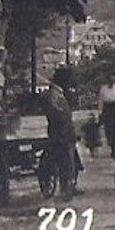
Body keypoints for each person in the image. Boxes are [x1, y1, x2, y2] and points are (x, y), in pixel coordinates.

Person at [42, 67, 79, 199]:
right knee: (65, 162)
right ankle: (66, 188)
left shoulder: (59, 93)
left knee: (69, 161)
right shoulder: (54, 94)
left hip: (64, 132)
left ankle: (69, 187)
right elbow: (56, 113)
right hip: (60, 133)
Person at [97, 75, 115, 161]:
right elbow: (101, 101)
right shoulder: (103, 89)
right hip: (108, 110)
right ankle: (113, 148)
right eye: (109, 80)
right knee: (109, 130)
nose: (111, 82)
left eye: (113, 80)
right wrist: (100, 112)